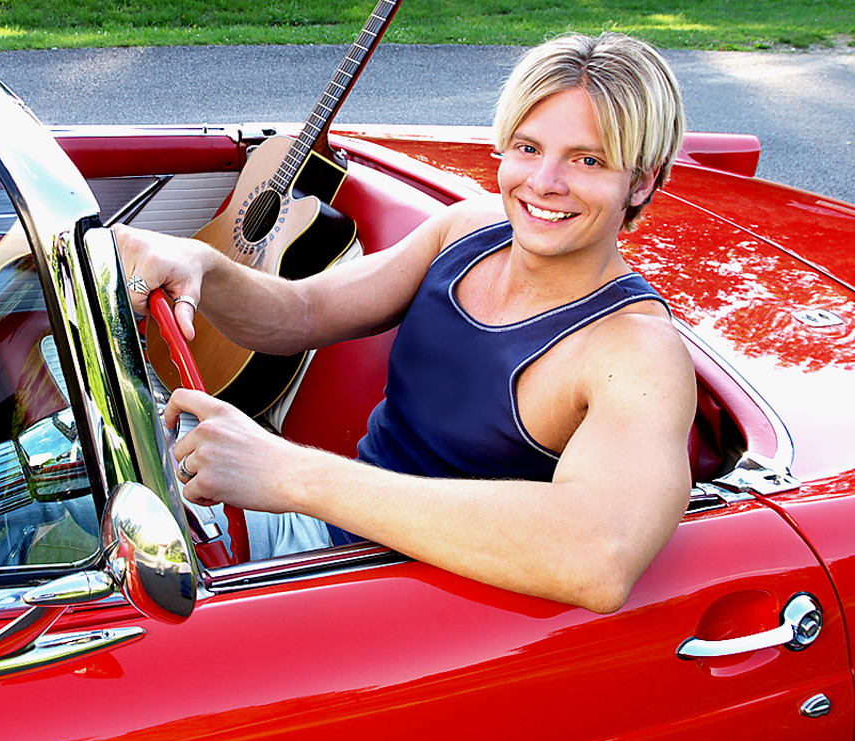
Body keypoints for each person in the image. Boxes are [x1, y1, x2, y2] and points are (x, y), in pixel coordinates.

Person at [114, 31, 697, 614]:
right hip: (320, 542)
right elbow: (300, 313)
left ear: (641, 181)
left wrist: (289, 471)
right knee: (68, 466)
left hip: (396, 600)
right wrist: (204, 266)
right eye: (526, 148)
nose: (543, 182)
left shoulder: (637, 352)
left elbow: (598, 557)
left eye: (587, 159)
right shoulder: (468, 230)